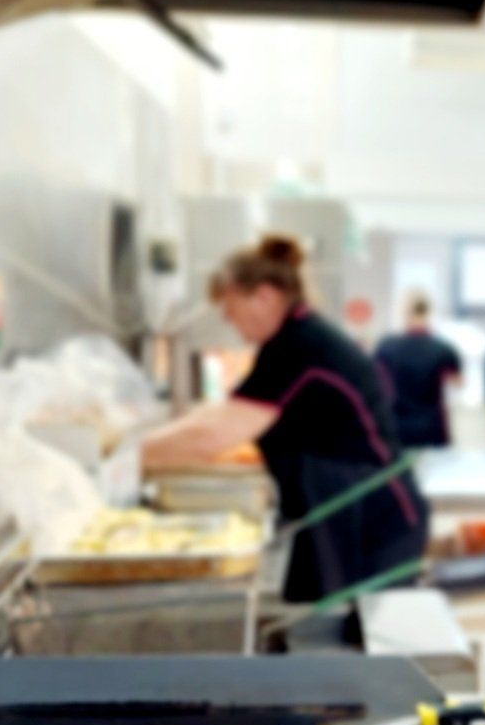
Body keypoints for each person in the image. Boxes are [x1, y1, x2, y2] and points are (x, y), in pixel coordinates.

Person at [141, 235, 426, 602]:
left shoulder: (300, 345)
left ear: (263, 295)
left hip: (371, 521)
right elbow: (227, 414)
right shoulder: (292, 339)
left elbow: (214, 434)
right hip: (349, 511)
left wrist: (127, 458)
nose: (230, 322)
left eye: (230, 308)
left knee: (356, 647)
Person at [374, 293, 463, 448]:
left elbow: (375, 382)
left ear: (404, 313)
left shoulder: (386, 346)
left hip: (397, 426)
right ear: (428, 312)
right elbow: (457, 383)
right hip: (432, 427)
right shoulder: (442, 349)